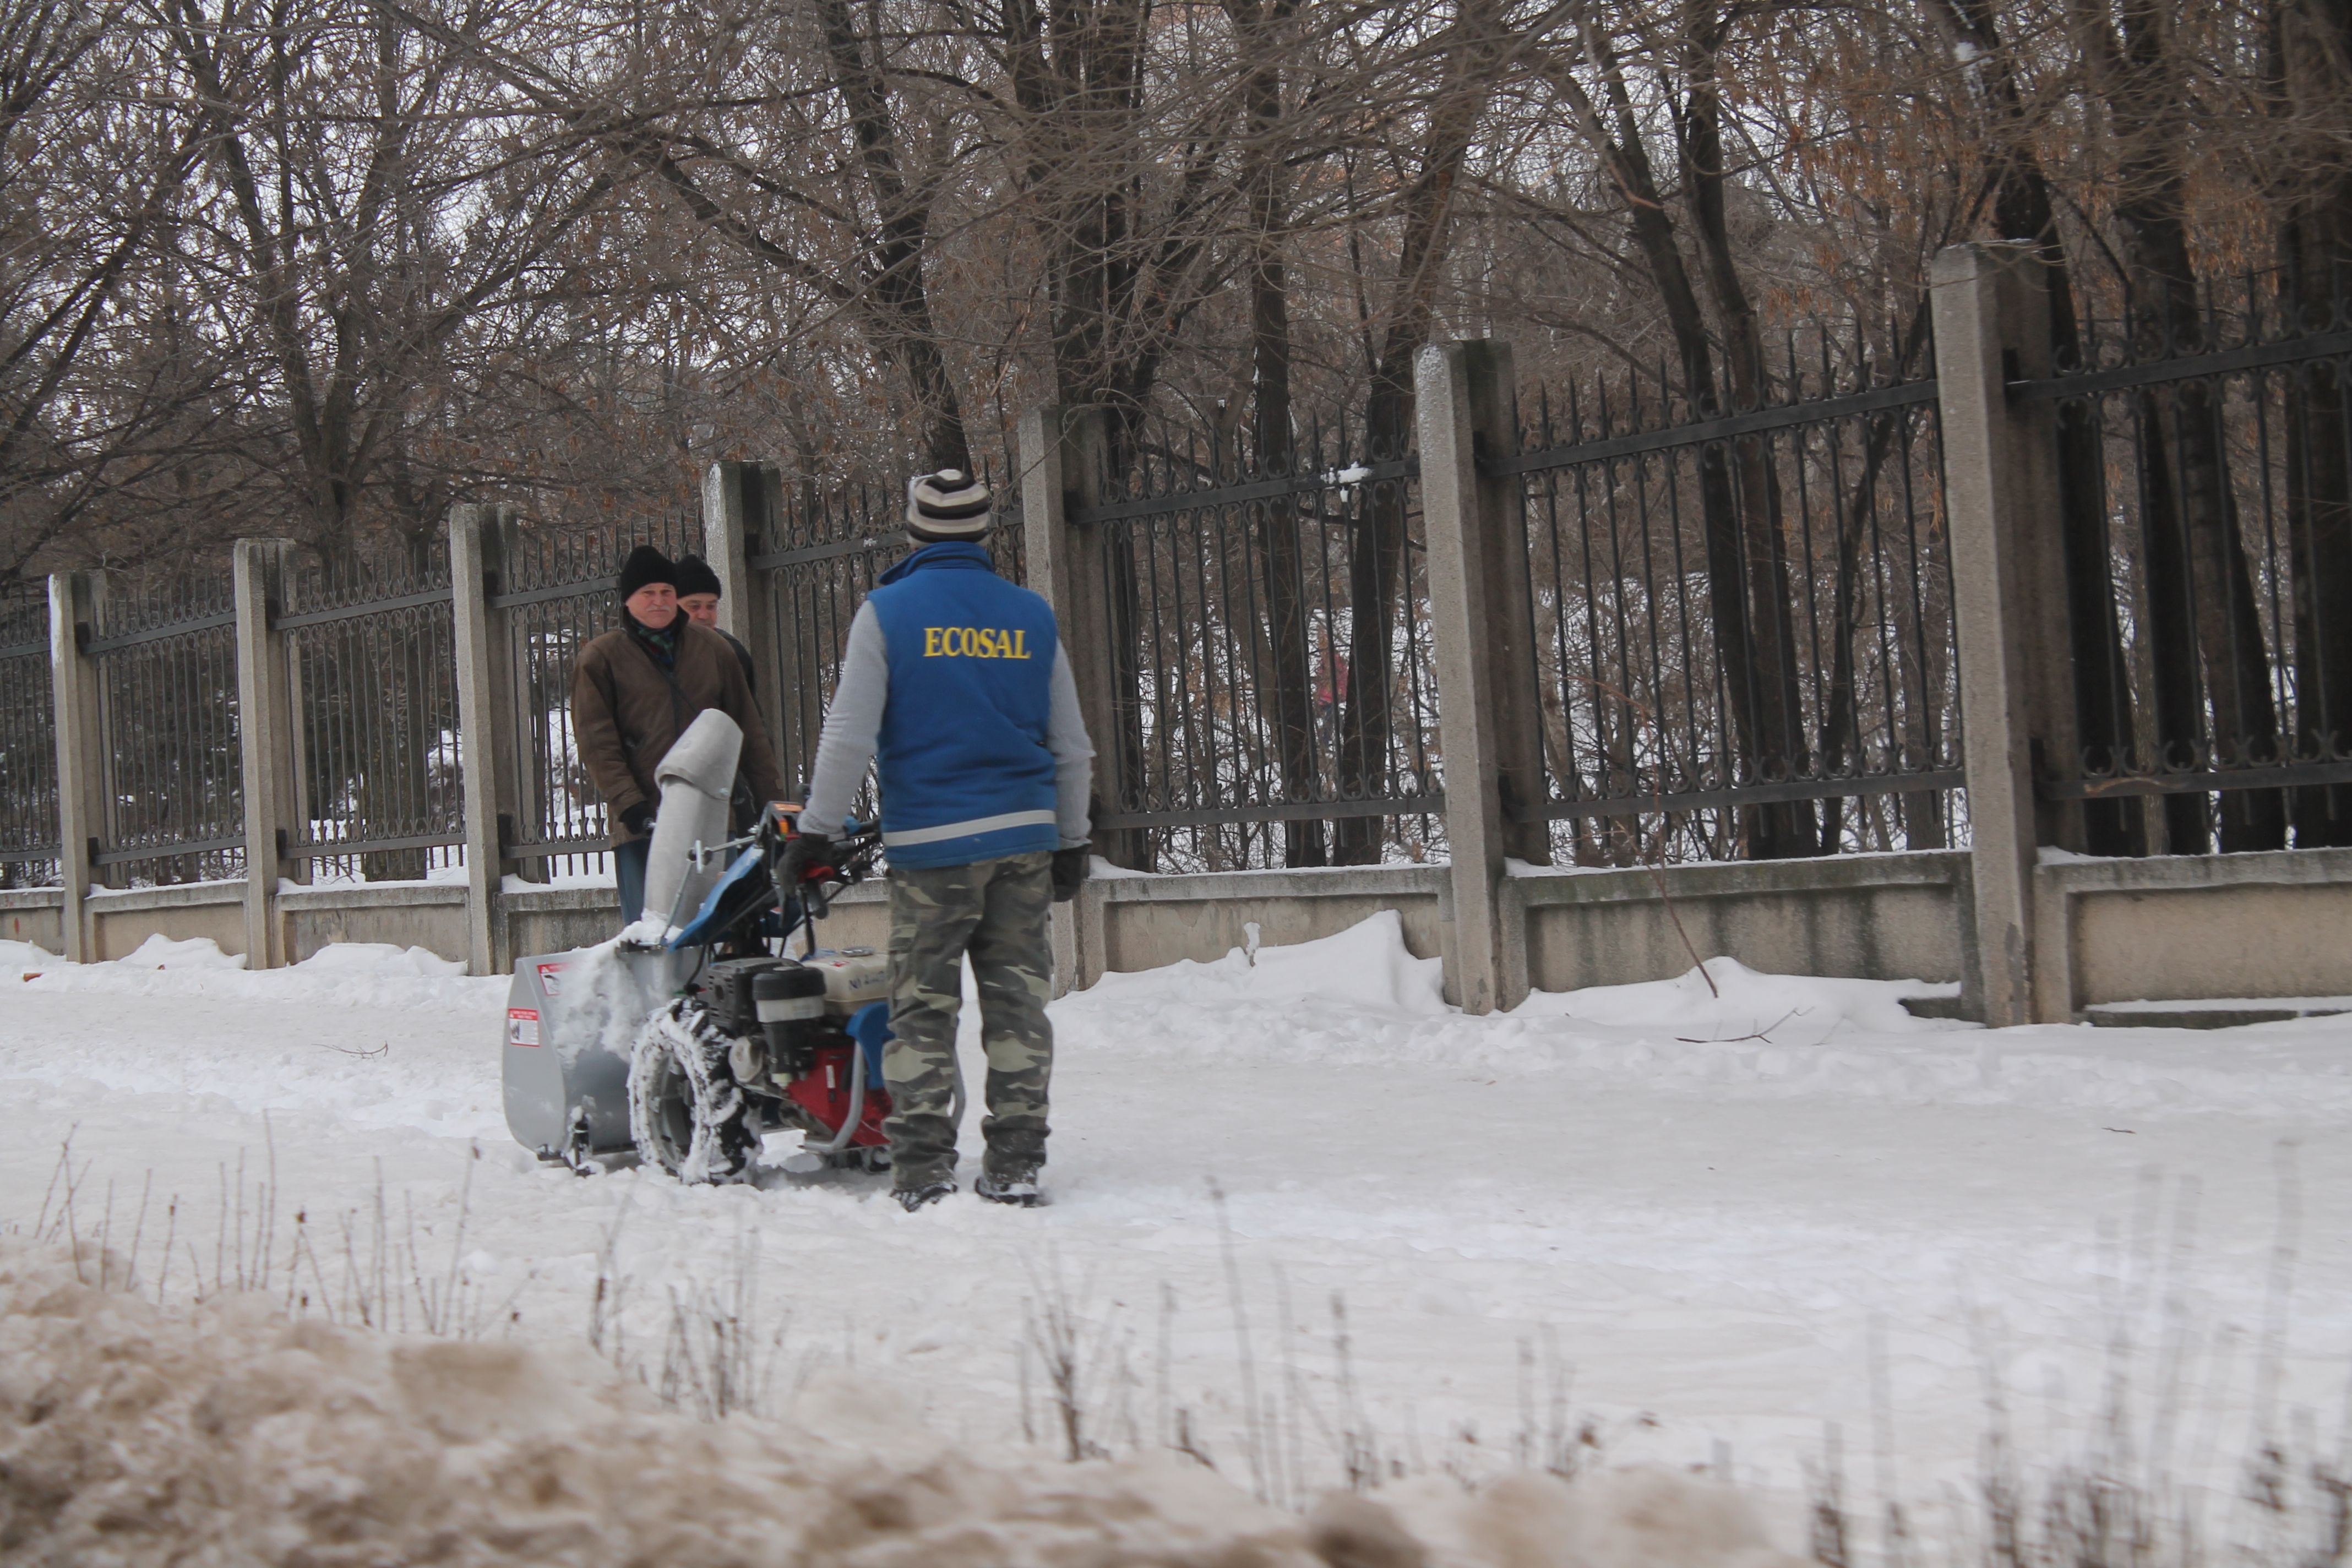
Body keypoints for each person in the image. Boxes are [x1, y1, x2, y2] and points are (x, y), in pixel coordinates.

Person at [792, 470, 1093, 1211]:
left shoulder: (887, 613)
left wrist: (816, 831)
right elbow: (1071, 745)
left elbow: (848, 736)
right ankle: (1016, 1163)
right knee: (1019, 1005)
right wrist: (1071, 838)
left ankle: (923, 1168)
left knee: (923, 1011)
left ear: (915, 532)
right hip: (1023, 837)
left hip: (932, 845)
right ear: (987, 532)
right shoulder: (1031, 615)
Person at [571, 545, 789, 927]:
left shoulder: (715, 650)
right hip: (644, 821)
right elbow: (597, 742)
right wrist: (629, 804)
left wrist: (771, 800)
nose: (659, 601)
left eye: (666, 592)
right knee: (653, 931)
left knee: (720, 929)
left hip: (715, 818)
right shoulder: (602, 658)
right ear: (628, 601)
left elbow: (749, 730)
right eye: (648, 593)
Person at [672, 553, 759, 692]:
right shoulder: (653, 653)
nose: (704, 615)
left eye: (711, 606)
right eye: (694, 607)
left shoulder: (732, 653)